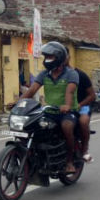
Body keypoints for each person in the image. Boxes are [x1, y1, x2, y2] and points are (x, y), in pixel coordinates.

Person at [19, 41, 79, 173]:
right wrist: (19, 102)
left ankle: (69, 161)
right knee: (31, 125)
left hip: (67, 112)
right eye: (46, 57)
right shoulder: (44, 74)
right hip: (49, 112)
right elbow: (32, 90)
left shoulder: (71, 74)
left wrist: (67, 105)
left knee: (66, 126)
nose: (47, 60)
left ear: (59, 58)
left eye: (50, 57)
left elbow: (69, 91)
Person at [73, 66, 96, 163]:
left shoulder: (80, 75)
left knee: (83, 122)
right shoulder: (51, 74)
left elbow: (92, 95)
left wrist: (80, 105)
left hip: (82, 106)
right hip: (61, 107)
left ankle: (85, 149)